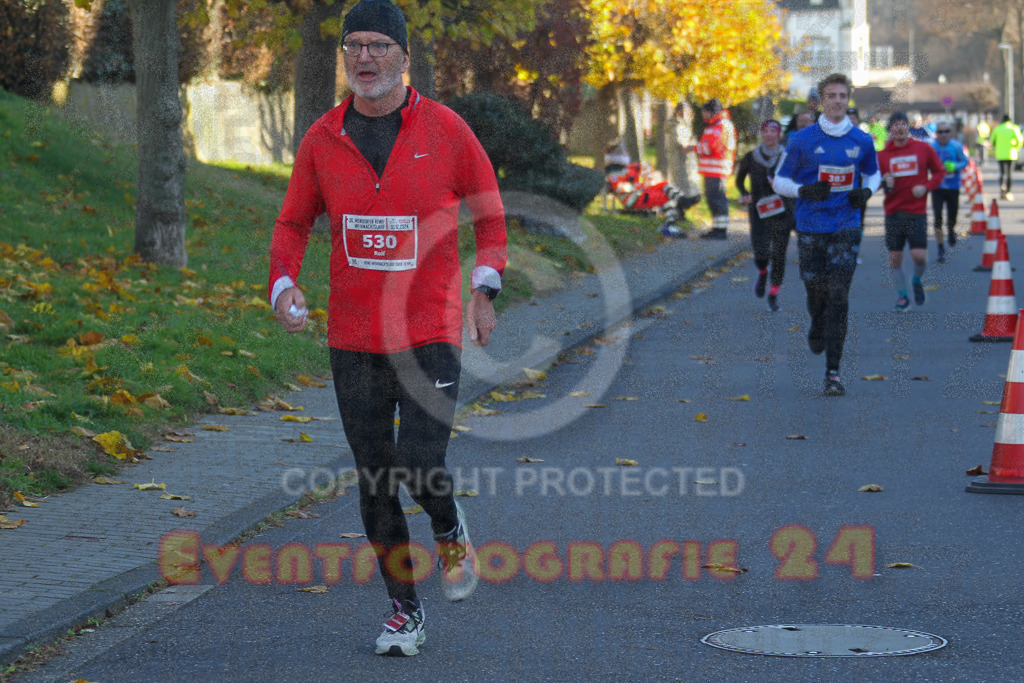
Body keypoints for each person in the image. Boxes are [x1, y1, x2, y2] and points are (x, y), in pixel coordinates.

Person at [267, 0, 507, 657]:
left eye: (377, 45)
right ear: (343, 56)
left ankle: (448, 522)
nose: (364, 58)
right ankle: (405, 610)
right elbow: (292, 223)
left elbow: (489, 215)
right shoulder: (322, 139)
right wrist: (283, 281)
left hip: (429, 328)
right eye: (353, 47)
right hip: (353, 337)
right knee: (375, 476)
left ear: (404, 56)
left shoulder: (447, 130)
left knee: (422, 462)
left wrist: (485, 285)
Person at [773, 72, 880, 397]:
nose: (837, 101)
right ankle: (816, 321)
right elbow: (780, 181)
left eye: (842, 96)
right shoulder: (802, 140)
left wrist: (865, 193)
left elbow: (874, 174)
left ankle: (833, 373)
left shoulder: (861, 140)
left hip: (846, 225)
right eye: (831, 96)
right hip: (810, 226)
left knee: (839, 297)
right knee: (814, 289)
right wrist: (804, 190)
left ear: (848, 100)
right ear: (821, 100)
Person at [877, 112, 945, 311]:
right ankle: (902, 296)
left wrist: (926, 187)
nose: (899, 128)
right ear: (889, 130)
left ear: (908, 127)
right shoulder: (881, 156)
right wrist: (883, 182)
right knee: (895, 258)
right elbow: (871, 182)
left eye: (902, 124)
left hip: (916, 212)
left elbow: (939, 172)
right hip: (893, 212)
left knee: (919, 257)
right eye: (895, 125)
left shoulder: (923, 149)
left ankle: (916, 280)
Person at [735, 120, 795, 311]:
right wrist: (745, 194)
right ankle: (762, 272)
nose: (769, 134)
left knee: (778, 254)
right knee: (761, 253)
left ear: (778, 134)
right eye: (766, 131)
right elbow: (739, 181)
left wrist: (781, 184)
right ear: (762, 134)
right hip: (760, 211)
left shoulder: (787, 156)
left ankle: (773, 294)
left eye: (773, 131)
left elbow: (796, 179)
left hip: (782, 211)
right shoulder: (752, 157)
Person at [694, 98, 737, 239]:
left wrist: (694, 148)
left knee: (717, 199)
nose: (703, 115)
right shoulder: (715, 125)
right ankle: (717, 228)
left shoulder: (721, 126)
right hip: (712, 170)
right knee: (713, 198)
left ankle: (720, 231)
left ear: (710, 112)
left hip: (717, 170)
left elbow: (711, 147)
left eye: (704, 112)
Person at [929, 122, 970, 262]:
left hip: (953, 187)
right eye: (940, 132)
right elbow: (925, 164)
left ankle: (951, 230)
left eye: (946, 131)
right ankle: (941, 248)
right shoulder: (932, 147)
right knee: (938, 219)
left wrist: (955, 166)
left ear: (950, 132)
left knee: (952, 216)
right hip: (937, 187)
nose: (943, 134)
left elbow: (965, 161)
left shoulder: (956, 146)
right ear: (937, 134)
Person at [990, 114, 1023, 200]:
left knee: (1002, 172)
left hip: (1000, 154)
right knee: (1009, 173)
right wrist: (1016, 147)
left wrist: (996, 147)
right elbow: (1020, 140)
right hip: (1011, 154)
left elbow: (992, 141)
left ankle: (1002, 187)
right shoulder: (1014, 128)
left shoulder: (997, 129)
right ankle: (1008, 191)